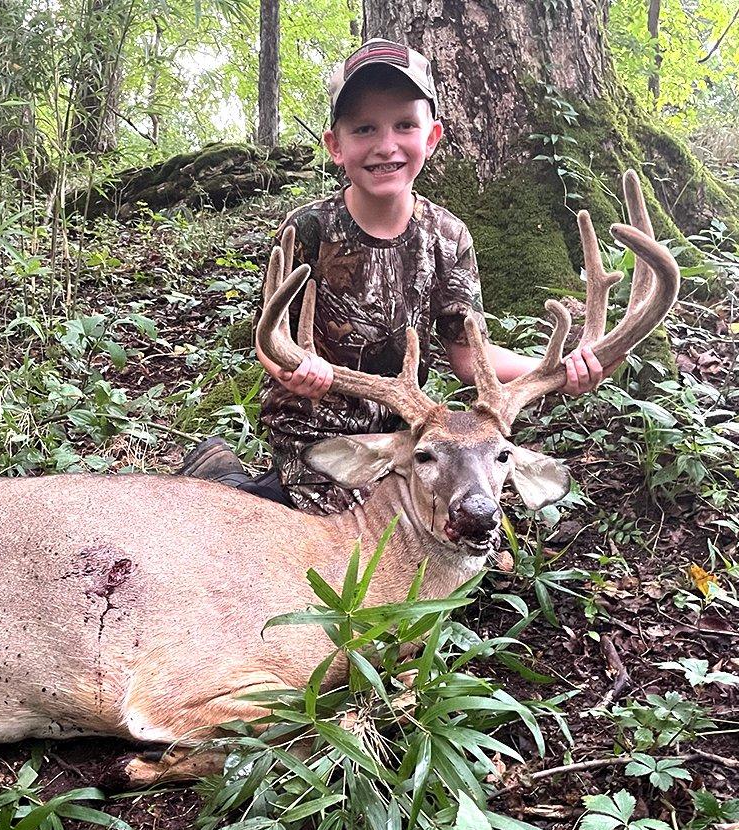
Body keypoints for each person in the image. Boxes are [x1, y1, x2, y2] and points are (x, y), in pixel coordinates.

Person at [181, 37, 616, 512]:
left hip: (405, 434)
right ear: (335, 146)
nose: (385, 145)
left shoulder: (448, 236)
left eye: (404, 125)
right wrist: (293, 368)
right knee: (340, 535)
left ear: (431, 137)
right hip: (312, 430)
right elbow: (271, 337)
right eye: (364, 128)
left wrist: (562, 369)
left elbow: (469, 357)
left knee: (434, 517)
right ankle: (229, 484)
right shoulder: (308, 228)